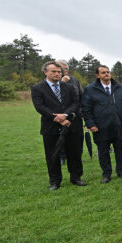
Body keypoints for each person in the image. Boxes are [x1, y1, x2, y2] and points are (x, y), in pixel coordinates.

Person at [31, 61, 86, 190]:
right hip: (50, 127)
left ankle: (76, 177)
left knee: (74, 153)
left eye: (59, 72)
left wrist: (65, 115)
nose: (57, 74)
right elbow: (40, 107)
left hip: (70, 124)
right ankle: (55, 181)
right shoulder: (38, 88)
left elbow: (75, 103)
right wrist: (57, 118)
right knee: (52, 155)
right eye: (53, 71)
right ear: (45, 72)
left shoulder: (69, 87)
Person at [81, 65, 122, 183]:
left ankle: (121, 172)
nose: (106, 74)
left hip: (118, 125)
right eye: (103, 72)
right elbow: (86, 109)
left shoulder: (119, 88)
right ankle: (106, 174)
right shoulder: (90, 89)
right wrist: (90, 124)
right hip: (101, 127)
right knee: (103, 152)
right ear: (98, 75)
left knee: (121, 151)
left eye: (108, 72)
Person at [56, 59, 83, 165]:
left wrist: (81, 112)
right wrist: (62, 82)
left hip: (75, 114)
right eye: (63, 69)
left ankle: (77, 157)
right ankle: (62, 156)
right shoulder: (54, 80)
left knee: (77, 138)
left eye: (67, 69)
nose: (66, 71)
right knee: (61, 136)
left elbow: (81, 95)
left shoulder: (74, 80)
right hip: (60, 115)